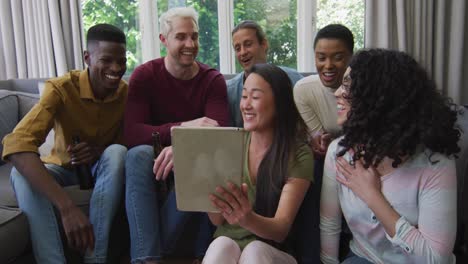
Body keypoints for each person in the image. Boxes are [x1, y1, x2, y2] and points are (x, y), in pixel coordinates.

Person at [1, 24, 128, 264]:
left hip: (103, 168)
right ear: (87, 58)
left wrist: (97, 152)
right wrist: (67, 208)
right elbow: (16, 143)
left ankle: (95, 258)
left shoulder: (126, 94)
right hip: (61, 167)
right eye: (107, 60)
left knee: (117, 152)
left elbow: (132, 143)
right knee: (20, 175)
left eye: (121, 61)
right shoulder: (61, 89)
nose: (116, 68)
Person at [320, 49, 460, 264]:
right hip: (363, 259)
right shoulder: (339, 152)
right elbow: (330, 225)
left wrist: (372, 195)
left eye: (348, 86)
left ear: (380, 99)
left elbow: (434, 259)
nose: (337, 92)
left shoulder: (435, 164)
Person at [124, 6, 230, 264]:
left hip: (192, 162)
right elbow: (131, 133)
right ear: (163, 40)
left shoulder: (212, 80)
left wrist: (183, 146)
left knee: (204, 156)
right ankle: (147, 258)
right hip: (153, 162)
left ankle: (164, 253)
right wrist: (183, 129)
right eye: (181, 37)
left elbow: (218, 134)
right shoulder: (144, 75)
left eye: (193, 36)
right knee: (136, 155)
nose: (190, 44)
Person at [191, 63, 314, 263]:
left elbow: (280, 230)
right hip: (229, 247)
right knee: (220, 245)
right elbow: (217, 221)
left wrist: (247, 218)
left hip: (274, 251)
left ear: (279, 103)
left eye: (255, 97)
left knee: (254, 251)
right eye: (244, 96)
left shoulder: (298, 154)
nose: (246, 105)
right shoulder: (231, 144)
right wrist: (208, 188)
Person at [227, 20, 303, 127]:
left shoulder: (294, 80)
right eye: (237, 48)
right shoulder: (230, 91)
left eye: (248, 44)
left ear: (264, 44)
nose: (243, 52)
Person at [293, 24, 354, 158]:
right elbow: (321, 142)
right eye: (321, 58)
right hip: (330, 157)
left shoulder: (367, 88)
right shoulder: (304, 90)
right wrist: (319, 143)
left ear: (351, 57)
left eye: (338, 58)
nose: (328, 65)